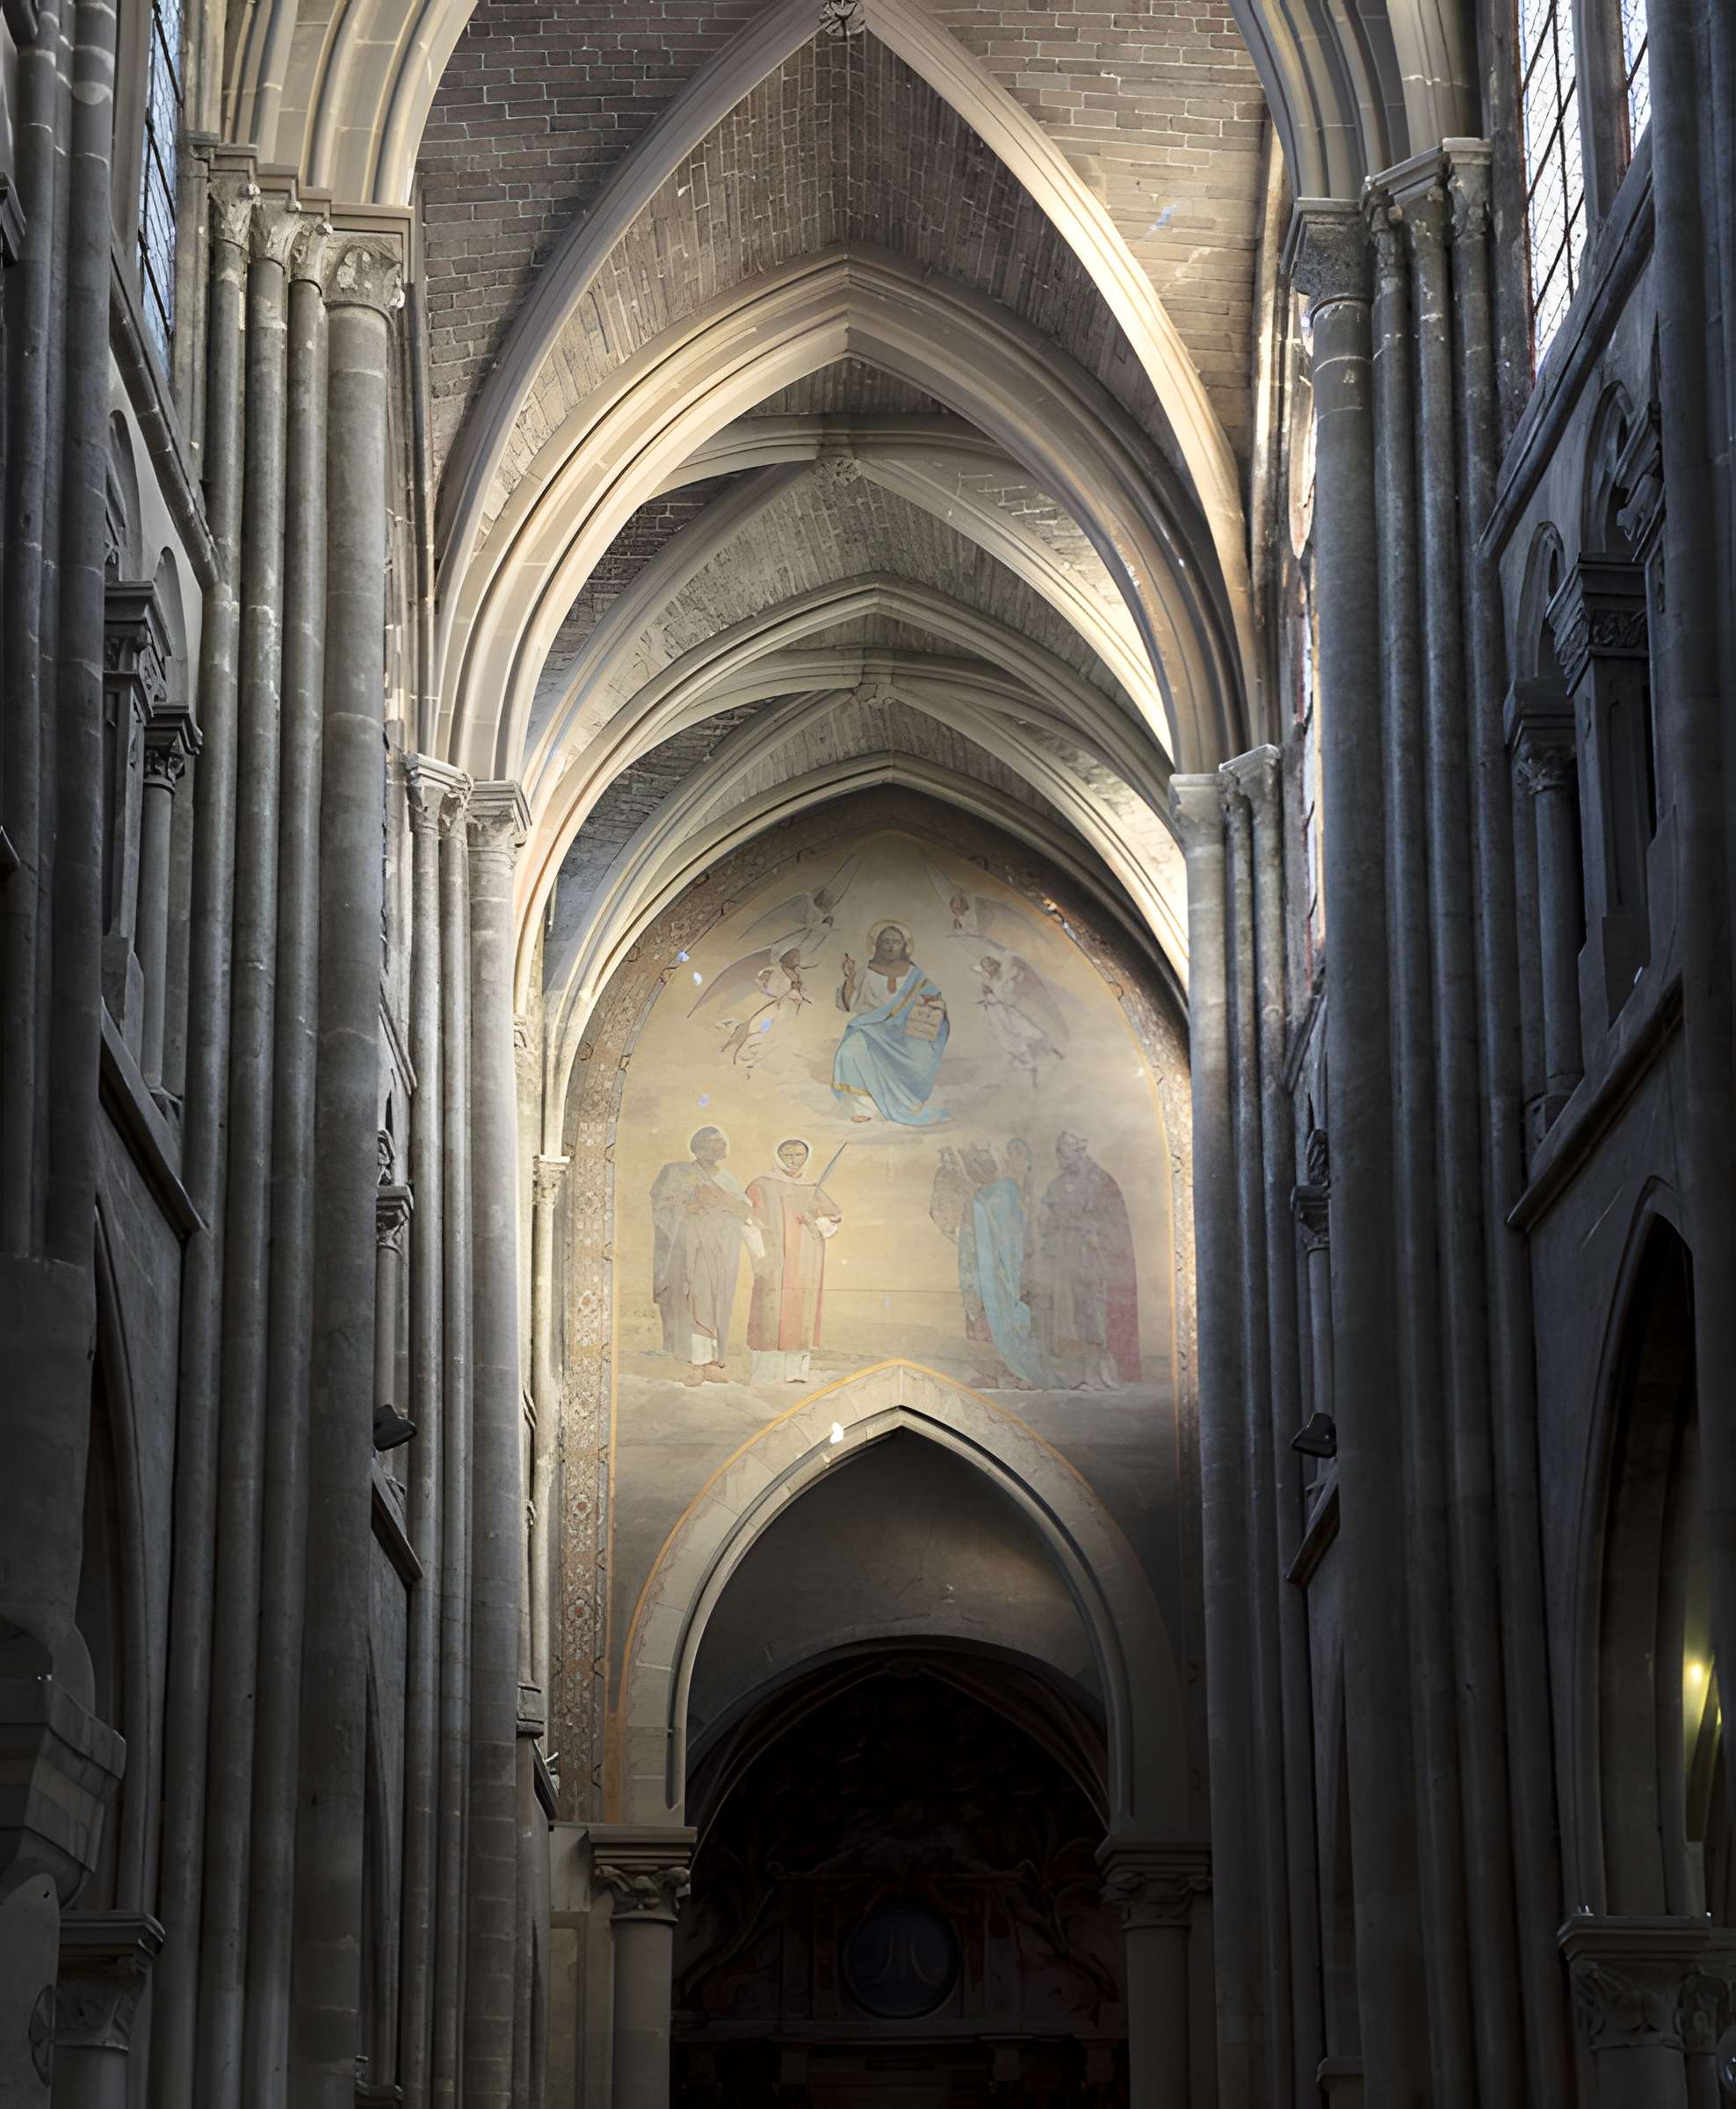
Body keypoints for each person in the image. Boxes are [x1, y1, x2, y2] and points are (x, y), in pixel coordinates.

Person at [648, 1126, 764, 1385]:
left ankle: (713, 1361)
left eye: (719, 1143)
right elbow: (663, 1205)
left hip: (724, 1246)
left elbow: (743, 1210)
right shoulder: (678, 1172)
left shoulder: (727, 1178)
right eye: (709, 1143)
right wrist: (694, 1203)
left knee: (719, 1300)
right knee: (696, 1298)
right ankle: (695, 1363)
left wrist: (726, 1202)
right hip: (693, 1246)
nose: (715, 1148)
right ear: (696, 1145)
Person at [1032, 1130, 1139, 1388]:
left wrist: (1090, 1228)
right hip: (1066, 1263)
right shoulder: (1057, 1185)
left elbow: (1113, 1223)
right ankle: (1076, 1374)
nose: (1059, 1158)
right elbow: (1045, 1222)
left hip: (1093, 1262)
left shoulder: (1100, 1183)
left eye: (1064, 1152)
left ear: (1078, 1152)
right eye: (1058, 1152)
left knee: (1094, 1316)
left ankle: (1100, 1374)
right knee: (1072, 1319)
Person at [745, 1138, 843, 1383]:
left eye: (798, 1155)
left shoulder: (812, 1188)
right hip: (774, 1259)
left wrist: (816, 1218)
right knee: (769, 1313)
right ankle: (766, 1373)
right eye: (787, 1154)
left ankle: (795, 1373)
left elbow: (832, 1220)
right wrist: (761, 1254)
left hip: (805, 1261)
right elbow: (746, 1218)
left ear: (806, 1157)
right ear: (778, 1156)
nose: (792, 1159)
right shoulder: (761, 1185)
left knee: (800, 1313)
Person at [833, 922, 950, 1125]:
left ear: (904, 946)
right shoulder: (865, 971)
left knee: (918, 1055)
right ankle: (863, 1106)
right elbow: (848, 1004)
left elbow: (933, 997)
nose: (890, 946)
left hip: (902, 1033)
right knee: (850, 1051)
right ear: (876, 944)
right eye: (885, 941)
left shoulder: (915, 975)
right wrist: (850, 978)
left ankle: (904, 1101)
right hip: (869, 1028)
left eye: (896, 941)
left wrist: (933, 1006)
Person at [956, 1144, 1049, 1389]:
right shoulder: (991, 1195)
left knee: (1010, 1318)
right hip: (985, 1273)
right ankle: (995, 1372)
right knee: (982, 1318)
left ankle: (1017, 1371)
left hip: (1004, 1274)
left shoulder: (1006, 1194)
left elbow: (1014, 1238)